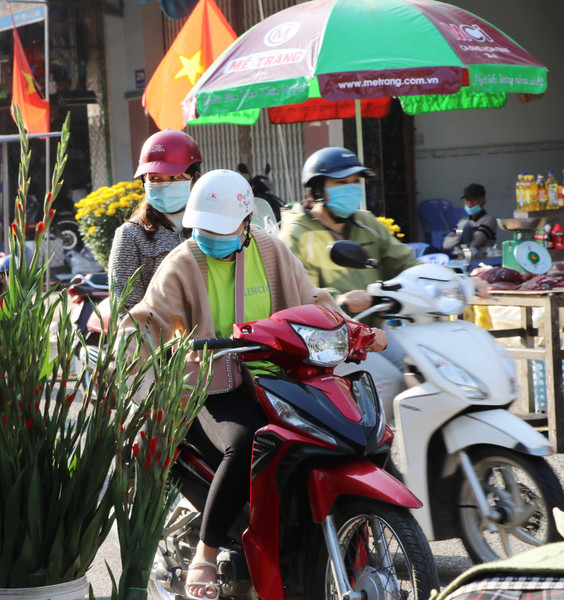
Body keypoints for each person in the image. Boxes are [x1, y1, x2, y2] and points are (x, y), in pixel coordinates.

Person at [119, 170, 383, 599]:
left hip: (279, 379)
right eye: (203, 229)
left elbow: (313, 301)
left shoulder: (270, 248)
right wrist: (136, 356)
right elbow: (146, 321)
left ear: (246, 222)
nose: (211, 237)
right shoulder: (183, 261)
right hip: (209, 385)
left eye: (222, 229)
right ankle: (206, 555)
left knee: (345, 432)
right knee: (246, 443)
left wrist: (354, 330)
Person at [278, 147, 419, 412]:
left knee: (421, 370)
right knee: (389, 385)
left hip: (374, 328)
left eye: (356, 182)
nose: (352, 188)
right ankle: (374, 450)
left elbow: (403, 261)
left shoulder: (366, 223)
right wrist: (339, 300)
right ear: (317, 189)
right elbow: (300, 291)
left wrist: (450, 277)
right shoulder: (296, 233)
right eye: (341, 183)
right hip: (332, 338)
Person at [108, 129, 202, 318]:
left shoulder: (211, 227)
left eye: (174, 177)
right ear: (144, 182)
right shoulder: (131, 235)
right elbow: (126, 309)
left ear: (195, 178)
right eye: (155, 178)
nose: (164, 185)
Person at [442, 183, 497, 257]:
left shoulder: (489, 219)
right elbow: (446, 244)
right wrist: (462, 234)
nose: (470, 202)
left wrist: (459, 235)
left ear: (483, 201)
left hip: (479, 259)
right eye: (467, 199)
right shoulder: (463, 221)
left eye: (473, 199)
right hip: (459, 258)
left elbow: (473, 243)